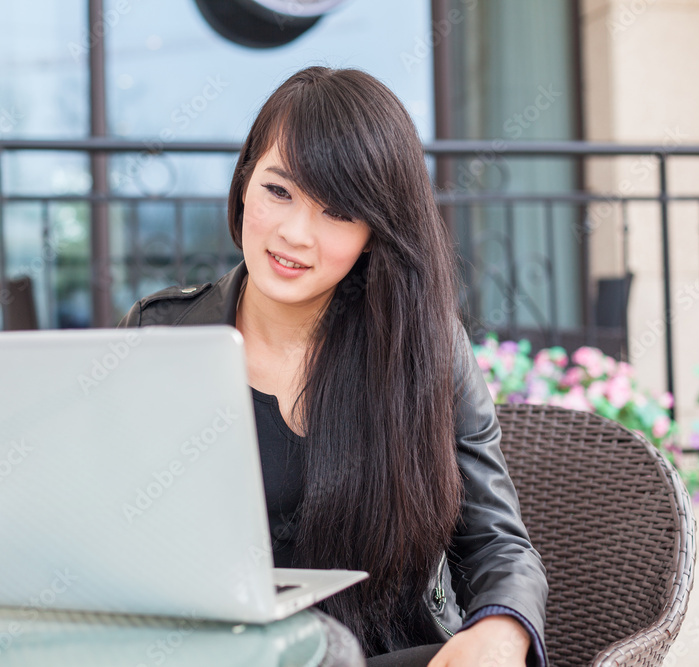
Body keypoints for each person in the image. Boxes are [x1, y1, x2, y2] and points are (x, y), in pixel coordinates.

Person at [116, 66, 548, 667]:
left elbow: (498, 543)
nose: (295, 233)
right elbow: (113, 533)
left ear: (375, 231)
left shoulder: (424, 345)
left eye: (338, 213)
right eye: (278, 191)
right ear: (244, 184)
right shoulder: (160, 336)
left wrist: (501, 630)